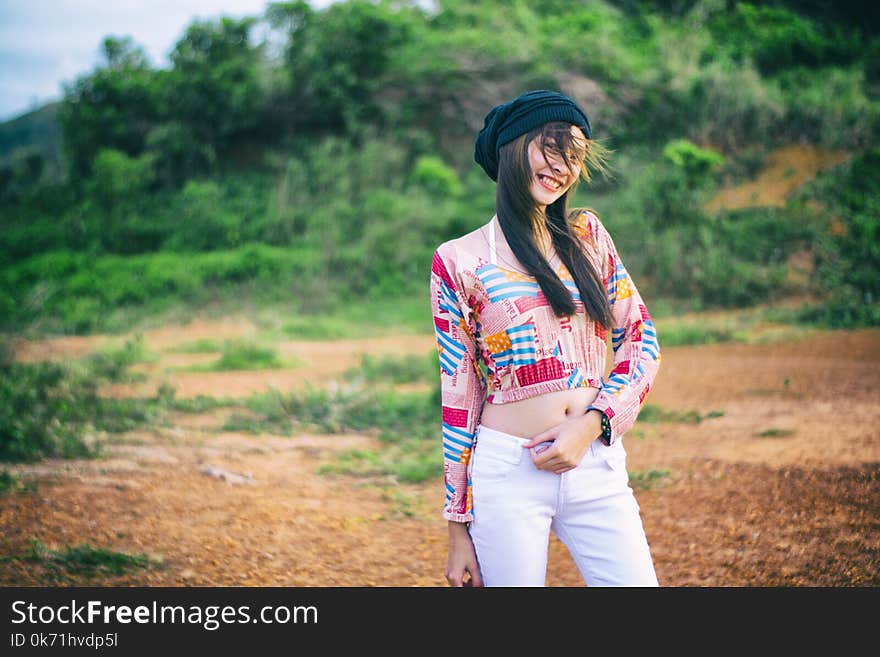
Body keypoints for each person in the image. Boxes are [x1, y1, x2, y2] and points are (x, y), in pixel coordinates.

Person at [429, 89, 661, 587]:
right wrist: (456, 525)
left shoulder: (587, 237)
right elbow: (459, 392)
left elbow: (641, 340)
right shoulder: (459, 260)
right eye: (550, 148)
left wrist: (595, 424)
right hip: (508, 473)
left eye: (574, 156)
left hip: (594, 459)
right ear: (513, 149)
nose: (563, 166)